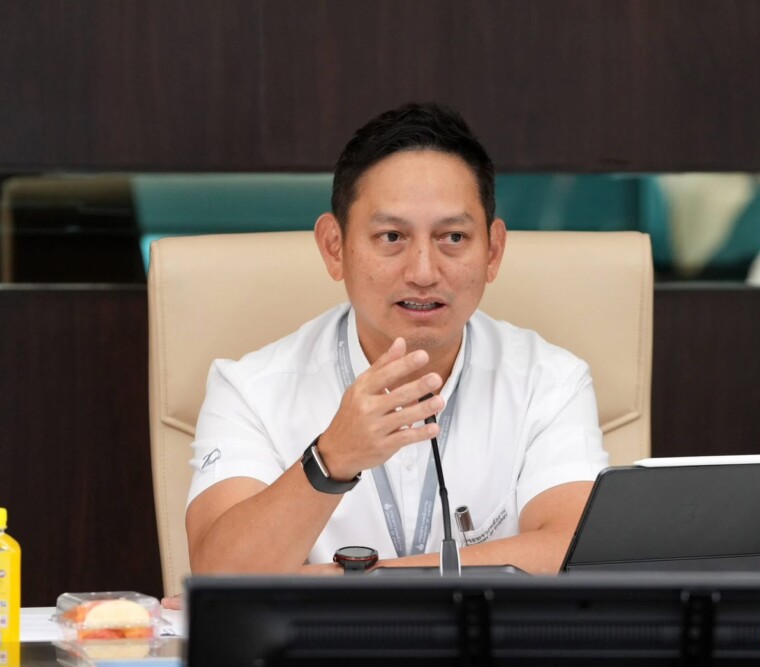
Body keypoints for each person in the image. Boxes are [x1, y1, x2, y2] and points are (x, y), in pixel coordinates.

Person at [183, 103, 609, 579]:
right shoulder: (249, 389)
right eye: (391, 236)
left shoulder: (549, 381)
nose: (423, 272)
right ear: (334, 247)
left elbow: (573, 551)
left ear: (493, 251)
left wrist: (358, 582)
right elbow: (217, 574)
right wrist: (331, 459)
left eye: (453, 237)